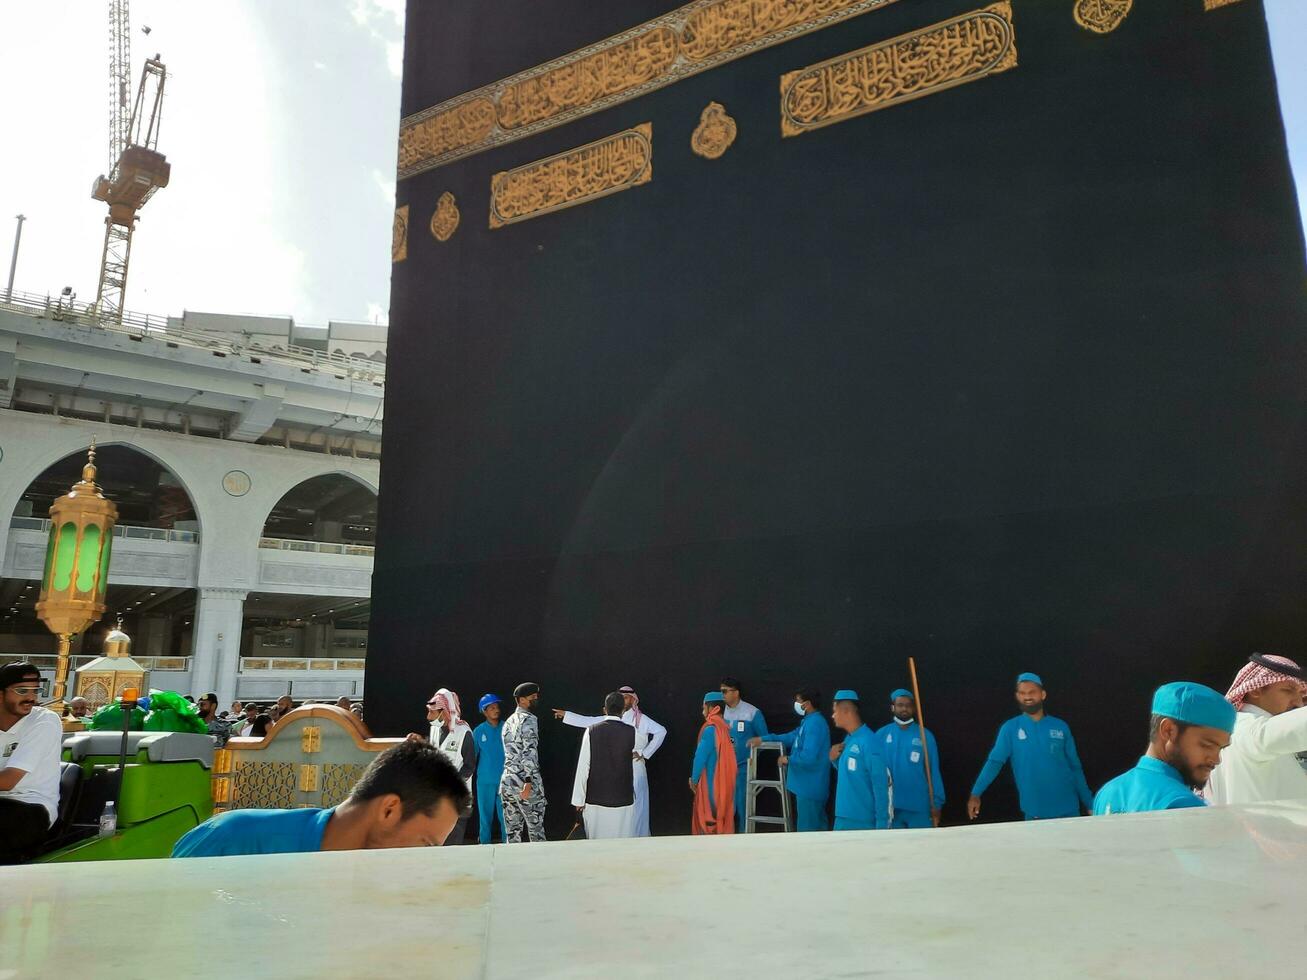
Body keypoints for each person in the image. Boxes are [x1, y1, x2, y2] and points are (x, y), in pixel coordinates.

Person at [173, 740, 469, 857]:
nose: (424, 862)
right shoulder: (233, 839)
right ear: (389, 810)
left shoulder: (379, 894)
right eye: (425, 845)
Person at [1094, 682, 1235, 815]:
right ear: (1168, 731)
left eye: (1221, 748)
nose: (1217, 759)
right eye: (1207, 745)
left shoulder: (1107, 793)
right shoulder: (1182, 804)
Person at [968, 672, 1093, 821]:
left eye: (1032, 692)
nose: (1027, 697)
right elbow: (994, 762)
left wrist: (1089, 802)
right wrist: (976, 793)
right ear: (1017, 696)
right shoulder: (1010, 728)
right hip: (1035, 812)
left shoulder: (1060, 726)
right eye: (1022, 693)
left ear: (1043, 694)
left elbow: (1075, 767)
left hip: (1069, 810)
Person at [554, 684, 667, 837]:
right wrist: (567, 715)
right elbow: (589, 721)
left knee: (637, 809)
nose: (623, 700)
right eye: (621, 698)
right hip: (610, 775)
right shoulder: (605, 722)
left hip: (635, 769)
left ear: (633, 700)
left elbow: (661, 731)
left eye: (626, 697)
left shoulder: (641, 720)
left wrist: (644, 753)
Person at [1203, 654, 1307, 805]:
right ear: (1255, 690)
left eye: (1300, 694)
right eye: (1288, 690)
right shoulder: (1243, 727)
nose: (1298, 703)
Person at [0, 663, 64, 864]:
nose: (31, 698)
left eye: (36, 691)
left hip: (30, 807)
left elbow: (8, 781)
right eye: (22, 691)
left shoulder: (45, 721)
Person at [749, 687, 830, 831]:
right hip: (806, 787)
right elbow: (791, 737)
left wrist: (788, 759)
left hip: (810, 788)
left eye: (798, 701)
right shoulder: (809, 722)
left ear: (807, 704)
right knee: (815, 830)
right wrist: (764, 739)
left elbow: (808, 757)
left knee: (808, 832)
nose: (796, 704)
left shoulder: (815, 724)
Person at [571, 692, 638, 839]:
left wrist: (578, 800)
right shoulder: (631, 731)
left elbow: (584, 766)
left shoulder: (592, 731)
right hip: (623, 798)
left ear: (604, 710)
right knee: (622, 845)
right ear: (623, 711)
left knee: (596, 847)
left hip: (595, 800)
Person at [875, 688, 944, 828]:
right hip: (891, 807)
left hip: (919, 806)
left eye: (908, 705)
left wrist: (937, 803)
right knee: (896, 848)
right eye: (900, 705)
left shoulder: (925, 735)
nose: (904, 708)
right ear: (892, 707)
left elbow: (933, 771)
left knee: (921, 847)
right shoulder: (881, 734)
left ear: (913, 708)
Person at [829, 690, 891, 830]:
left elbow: (880, 785)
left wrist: (882, 825)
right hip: (843, 817)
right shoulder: (849, 739)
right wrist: (834, 760)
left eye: (835, 711)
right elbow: (853, 772)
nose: (833, 716)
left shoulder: (870, 742)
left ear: (846, 711)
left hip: (862, 822)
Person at [423, 688, 474, 844]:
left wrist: (451, 785)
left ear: (444, 711)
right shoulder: (434, 730)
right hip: (438, 799)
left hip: (457, 799)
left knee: (453, 844)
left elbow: (469, 766)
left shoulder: (463, 732)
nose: (428, 717)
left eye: (432, 712)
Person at [720, 676, 769, 831]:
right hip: (724, 769)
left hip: (744, 770)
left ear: (736, 692)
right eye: (721, 691)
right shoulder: (720, 713)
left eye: (725, 691)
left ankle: (744, 840)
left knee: (744, 808)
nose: (723, 695)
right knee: (724, 809)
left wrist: (752, 759)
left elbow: (765, 739)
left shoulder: (752, 713)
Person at [500, 682, 546, 843]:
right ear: (521, 700)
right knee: (536, 832)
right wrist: (528, 781)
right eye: (532, 697)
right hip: (524, 782)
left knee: (512, 834)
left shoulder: (508, 722)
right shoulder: (529, 720)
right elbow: (529, 752)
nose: (536, 699)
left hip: (507, 782)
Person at [690, 692, 737, 834]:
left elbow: (700, 757)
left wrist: (694, 779)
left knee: (709, 825)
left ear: (711, 708)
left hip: (711, 787)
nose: (702, 711)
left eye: (704, 707)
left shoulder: (710, 729)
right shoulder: (726, 728)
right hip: (727, 786)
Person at [472, 694, 506, 844]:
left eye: (497, 707)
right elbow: (471, 758)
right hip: (485, 782)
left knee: (506, 817)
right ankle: (484, 846)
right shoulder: (478, 731)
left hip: (505, 781)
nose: (496, 710)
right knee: (485, 817)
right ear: (484, 711)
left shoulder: (507, 727)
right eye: (492, 708)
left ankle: (509, 846)